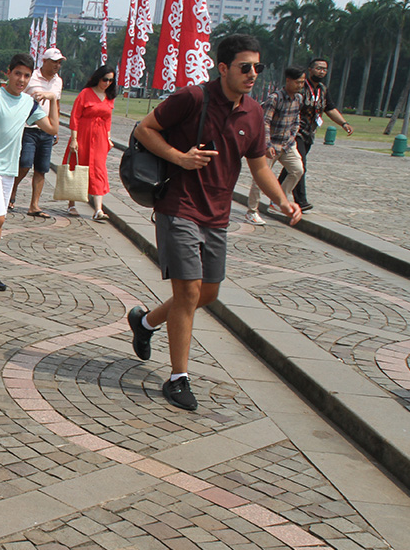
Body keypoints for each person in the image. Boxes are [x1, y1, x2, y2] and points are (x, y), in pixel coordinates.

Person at [126, 34, 302, 410]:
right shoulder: (192, 99)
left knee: (208, 294)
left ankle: (145, 323)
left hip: (217, 215)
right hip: (179, 207)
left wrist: (283, 200)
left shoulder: (253, 113)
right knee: (188, 293)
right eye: (245, 67)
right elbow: (144, 129)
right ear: (223, 68)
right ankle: (178, 378)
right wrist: (179, 157)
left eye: (258, 67)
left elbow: (258, 166)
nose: (253, 73)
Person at [0, 53, 60, 291]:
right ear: (8, 73)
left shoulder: (29, 103)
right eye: (18, 73)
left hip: (8, 170)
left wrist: (53, 99)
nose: (22, 80)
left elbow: (52, 128)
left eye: (27, 75)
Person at [279, 57, 353, 212]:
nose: (322, 71)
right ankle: (301, 200)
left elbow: (330, 108)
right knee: (301, 165)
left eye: (325, 69)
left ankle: (276, 191)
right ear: (310, 69)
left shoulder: (323, 90)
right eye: (318, 68)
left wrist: (344, 124)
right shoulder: (300, 86)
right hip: (295, 132)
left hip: (309, 133)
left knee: (292, 167)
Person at [247, 66, 306, 224]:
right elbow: (264, 122)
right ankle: (252, 210)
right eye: (298, 82)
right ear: (288, 81)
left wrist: (290, 141)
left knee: (297, 170)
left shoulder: (299, 99)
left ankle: (278, 200)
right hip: (269, 143)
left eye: (302, 82)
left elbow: (296, 121)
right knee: (261, 177)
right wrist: (267, 144)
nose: (300, 85)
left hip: (287, 143)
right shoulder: (275, 98)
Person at [10, 47, 65, 217]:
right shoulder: (30, 77)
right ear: (44, 61)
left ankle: (34, 205)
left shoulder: (58, 81)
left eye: (59, 62)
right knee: (25, 163)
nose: (57, 65)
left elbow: (56, 104)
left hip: (47, 129)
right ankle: (11, 192)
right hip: (28, 127)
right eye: (54, 61)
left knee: (41, 168)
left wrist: (56, 129)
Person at [67, 64, 117, 221]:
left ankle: (98, 209)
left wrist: (108, 138)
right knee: (78, 166)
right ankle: (71, 203)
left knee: (98, 169)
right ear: (98, 78)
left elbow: (108, 119)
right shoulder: (85, 94)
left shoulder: (109, 96)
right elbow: (75, 116)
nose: (107, 83)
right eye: (105, 79)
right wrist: (74, 139)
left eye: (111, 80)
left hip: (100, 137)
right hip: (83, 133)